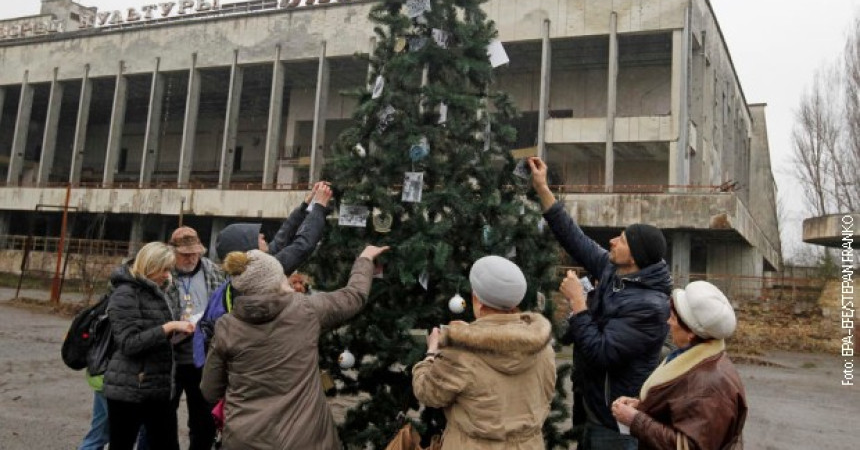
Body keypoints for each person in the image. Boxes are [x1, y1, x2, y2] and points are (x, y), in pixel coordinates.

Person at [528, 156, 672, 449]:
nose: (612, 242)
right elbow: (573, 237)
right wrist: (542, 187)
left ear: (635, 257)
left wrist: (578, 302)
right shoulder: (613, 270)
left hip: (614, 419)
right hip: (590, 403)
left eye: (621, 239)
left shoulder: (650, 306)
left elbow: (602, 352)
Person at [200, 245, 389, 449]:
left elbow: (209, 390)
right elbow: (353, 296)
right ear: (276, 280)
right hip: (305, 439)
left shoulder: (226, 326)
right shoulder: (305, 310)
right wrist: (365, 259)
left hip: (245, 439)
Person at [412, 255, 556, 450]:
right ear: (515, 303)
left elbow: (427, 393)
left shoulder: (460, 351)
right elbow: (547, 395)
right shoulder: (543, 348)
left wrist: (430, 355)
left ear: (476, 300)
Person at [193, 181, 333, 366]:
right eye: (257, 236)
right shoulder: (262, 275)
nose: (263, 237)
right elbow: (303, 246)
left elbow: (281, 240)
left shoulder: (246, 271)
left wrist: (305, 206)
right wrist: (320, 208)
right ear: (247, 247)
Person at [612, 281, 747, 450]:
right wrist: (643, 407)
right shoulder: (698, 358)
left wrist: (636, 420)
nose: (668, 321)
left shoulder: (709, 386)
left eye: (674, 317)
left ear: (691, 332)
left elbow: (690, 446)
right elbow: (681, 408)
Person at [103, 242, 194, 450]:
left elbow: (156, 336)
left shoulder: (156, 292)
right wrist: (169, 326)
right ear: (149, 266)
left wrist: (179, 333)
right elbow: (128, 343)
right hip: (129, 388)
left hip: (157, 386)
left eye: (169, 269)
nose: (167, 274)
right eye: (163, 269)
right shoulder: (125, 293)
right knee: (122, 444)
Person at [164, 226, 225, 450]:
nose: (191, 258)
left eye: (195, 253)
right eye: (185, 254)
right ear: (172, 252)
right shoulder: (162, 272)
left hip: (203, 358)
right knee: (162, 417)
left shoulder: (213, 271)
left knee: (203, 421)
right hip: (169, 358)